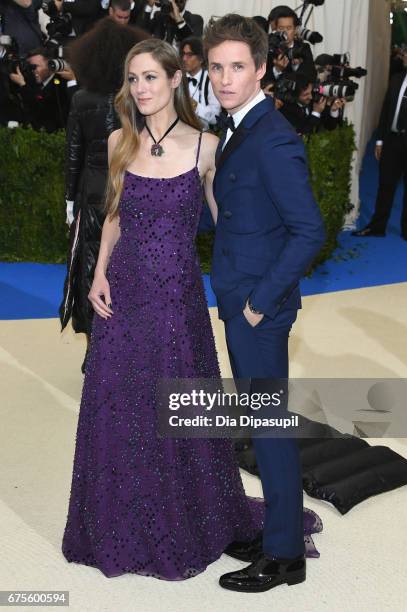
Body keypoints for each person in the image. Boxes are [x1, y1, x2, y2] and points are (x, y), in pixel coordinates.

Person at [61, 37, 262, 580]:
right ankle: (116, 522)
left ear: (177, 79)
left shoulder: (206, 147)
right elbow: (114, 216)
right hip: (124, 293)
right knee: (119, 404)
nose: (141, 88)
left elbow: (228, 224)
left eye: (151, 77)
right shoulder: (117, 142)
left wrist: (258, 280)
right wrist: (99, 272)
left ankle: (188, 518)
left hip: (177, 298)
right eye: (133, 78)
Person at [203, 14, 326, 592]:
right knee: (259, 420)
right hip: (239, 296)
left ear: (261, 70)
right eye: (216, 66)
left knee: (269, 426)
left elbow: (309, 230)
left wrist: (257, 302)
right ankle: (277, 527)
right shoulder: (238, 128)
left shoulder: (273, 138)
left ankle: (284, 556)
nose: (225, 78)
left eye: (237, 67)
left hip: (258, 308)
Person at [59, 18, 148, 371]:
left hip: (91, 197)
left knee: (89, 271)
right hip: (130, 195)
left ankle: (94, 349)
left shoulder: (81, 100)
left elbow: (73, 154)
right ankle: (123, 349)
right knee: (125, 270)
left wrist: (70, 200)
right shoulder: (137, 100)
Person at [352, 46, 407, 240]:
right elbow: (385, 112)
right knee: (385, 185)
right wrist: (380, 141)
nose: (406, 56)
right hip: (392, 141)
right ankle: (377, 227)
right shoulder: (396, 78)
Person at [9, 46, 72, 131]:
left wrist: (23, 85)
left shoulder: (61, 84)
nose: (33, 70)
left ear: (50, 65)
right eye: (30, 67)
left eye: (36, 66)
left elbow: (43, 111)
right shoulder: (31, 81)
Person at [278, 73, 345, 136]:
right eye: (305, 95)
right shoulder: (285, 111)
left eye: (310, 92)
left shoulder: (315, 98)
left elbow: (330, 126)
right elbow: (304, 134)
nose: (311, 97)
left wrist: (333, 110)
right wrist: (316, 113)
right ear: (294, 97)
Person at [265, 5, 316, 86]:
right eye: (281, 28)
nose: (285, 33)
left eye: (289, 28)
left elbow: (311, 76)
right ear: (275, 30)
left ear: (295, 29)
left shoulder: (303, 48)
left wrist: (293, 67)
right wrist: (277, 70)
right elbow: (263, 79)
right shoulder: (269, 49)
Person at [181, 36, 221, 129]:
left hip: (202, 134)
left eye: (189, 55)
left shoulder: (211, 79)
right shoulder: (179, 78)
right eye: (183, 54)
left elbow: (215, 118)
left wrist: (195, 106)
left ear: (201, 59)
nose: (184, 58)